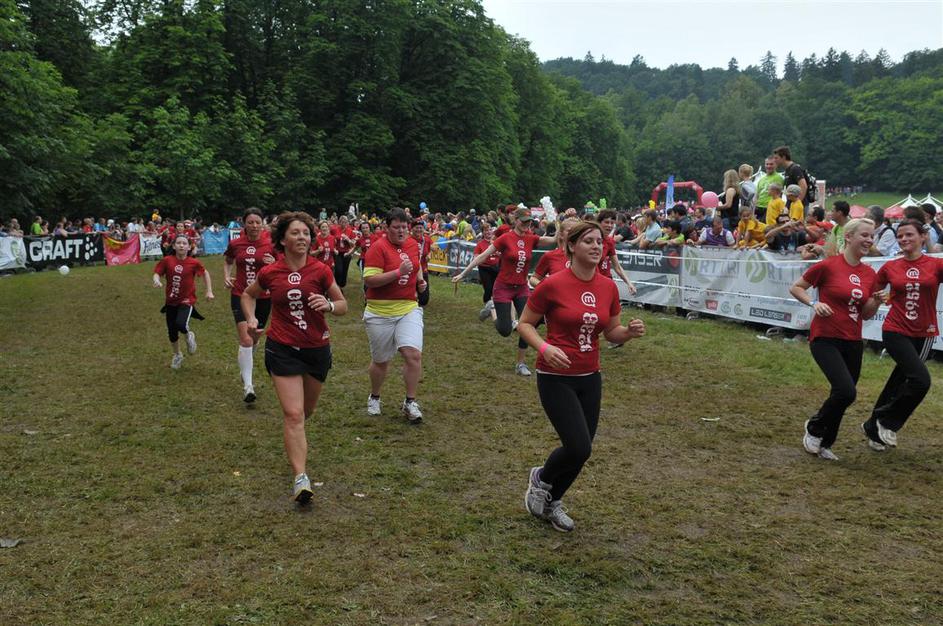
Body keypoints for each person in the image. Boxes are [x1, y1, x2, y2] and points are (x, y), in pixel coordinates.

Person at [517, 221, 646, 531]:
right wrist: (544, 348)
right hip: (555, 375)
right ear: (572, 246)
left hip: (590, 376)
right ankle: (541, 478)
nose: (596, 246)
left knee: (582, 449)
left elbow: (611, 332)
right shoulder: (553, 284)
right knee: (578, 446)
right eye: (588, 241)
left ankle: (552, 501)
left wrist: (628, 333)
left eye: (599, 241)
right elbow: (524, 324)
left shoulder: (607, 286)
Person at [242, 211, 347, 503]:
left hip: (316, 349)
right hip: (282, 347)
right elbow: (248, 295)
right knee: (293, 414)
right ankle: (301, 478)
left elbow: (342, 304)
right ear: (282, 240)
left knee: (305, 411)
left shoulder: (321, 270)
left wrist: (328, 305)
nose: (302, 237)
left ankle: (295, 434)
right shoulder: (270, 272)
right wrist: (251, 318)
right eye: (295, 233)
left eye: (306, 233)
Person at [789, 218, 880, 460]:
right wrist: (814, 303)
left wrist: (876, 301)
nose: (869, 240)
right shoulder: (828, 266)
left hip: (853, 340)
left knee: (842, 394)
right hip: (825, 338)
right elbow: (796, 287)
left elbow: (866, 314)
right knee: (846, 391)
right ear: (848, 237)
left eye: (872, 236)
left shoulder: (869, 274)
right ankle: (814, 427)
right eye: (864, 235)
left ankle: (826, 443)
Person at [861, 219, 943, 452]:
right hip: (895, 329)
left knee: (900, 380)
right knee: (920, 380)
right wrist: (876, 299)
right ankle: (886, 421)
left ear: (923, 236)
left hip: (925, 333)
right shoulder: (890, 267)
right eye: (900, 236)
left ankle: (873, 428)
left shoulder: (936, 265)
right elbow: (872, 294)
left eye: (909, 234)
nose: (904, 239)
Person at [452, 207, 556, 376]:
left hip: (521, 288)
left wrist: (561, 228)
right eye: (523, 222)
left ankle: (520, 364)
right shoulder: (505, 238)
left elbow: (553, 240)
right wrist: (463, 273)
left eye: (529, 222)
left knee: (527, 325)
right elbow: (483, 256)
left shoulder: (531, 238)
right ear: (516, 220)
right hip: (503, 288)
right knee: (505, 330)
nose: (526, 225)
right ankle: (492, 309)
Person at [362, 208, 428, 423]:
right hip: (379, 311)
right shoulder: (377, 248)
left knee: (413, 354)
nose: (401, 231)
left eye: (404, 227)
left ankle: (410, 402)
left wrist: (419, 280)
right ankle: (375, 396)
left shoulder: (412, 244)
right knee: (381, 361)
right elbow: (370, 280)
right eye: (396, 227)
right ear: (387, 228)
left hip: (408, 307)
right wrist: (398, 272)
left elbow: (415, 265)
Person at [223, 208, 277, 403]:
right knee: (246, 339)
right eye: (250, 222)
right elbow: (228, 260)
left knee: (254, 338)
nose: (254, 226)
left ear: (263, 224)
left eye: (257, 222)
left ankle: (245, 366)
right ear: (244, 224)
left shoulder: (271, 243)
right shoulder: (236, 243)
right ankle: (248, 386)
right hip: (240, 294)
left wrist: (274, 262)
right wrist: (227, 275)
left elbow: (284, 265)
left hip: (264, 296)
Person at [152, 234, 214, 369]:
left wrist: (209, 291)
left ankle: (188, 336)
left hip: (187, 300)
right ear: (174, 246)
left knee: (180, 324)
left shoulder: (193, 262)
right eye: (178, 243)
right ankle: (177, 354)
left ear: (189, 247)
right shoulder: (167, 260)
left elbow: (205, 273)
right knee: (172, 332)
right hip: (171, 300)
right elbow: (157, 273)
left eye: (184, 243)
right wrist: (156, 280)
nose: (181, 245)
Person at [596, 210, 637, 293]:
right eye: (606, 222)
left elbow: (617, 266)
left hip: (606, 281)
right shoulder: (590, 239)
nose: (609, 225)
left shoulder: (609, 242)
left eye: (612, 223)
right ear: (599, 223)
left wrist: (629, 283)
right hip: (592, 281)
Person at [474, 221, 501, 321]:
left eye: (490, 230)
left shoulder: (497, 242)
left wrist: (499, 254)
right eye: (486, 230)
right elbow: (476, 257)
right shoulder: (480, 244)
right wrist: (485, 256)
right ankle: (487, 308)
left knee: (497, 290)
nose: (488, 232)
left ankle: (494, 310)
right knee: (488, 289)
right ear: (483, 232)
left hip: (496, 268)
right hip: (484, 268)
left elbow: (503, 254)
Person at [411, 219, 433, 307]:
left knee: (424, 300)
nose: (419, 230)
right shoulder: (407, 240)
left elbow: (431, 248)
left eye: (421, 228)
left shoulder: (426, 240)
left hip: (423, 270)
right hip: (411, 271)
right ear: (412, 229)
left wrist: (429, 255)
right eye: (416, 228)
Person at [755, 156, 784, 223]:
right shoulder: (762, 179)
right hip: (758, 207)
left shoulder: (778, 178)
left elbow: (779, 194)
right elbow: (757, 195)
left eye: (771, 164)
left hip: (769, 207)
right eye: (767, 164)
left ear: (776, 165)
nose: (769, 166)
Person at [333, 215, 356, 289]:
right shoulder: (335, 230)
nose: (344, 223)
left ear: (347, 223)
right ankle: (336, 285)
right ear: (339, 222)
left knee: (345, 269)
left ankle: (342, 284)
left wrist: (348, 239)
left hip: (347, 253)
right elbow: (330, 239)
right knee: (338, 270)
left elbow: (353, 245)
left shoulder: (350, 231)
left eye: (345, 222)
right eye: (342, 222)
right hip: (338, 252)